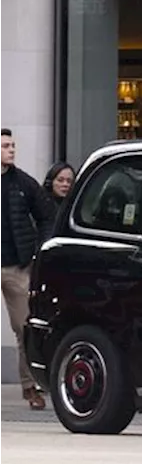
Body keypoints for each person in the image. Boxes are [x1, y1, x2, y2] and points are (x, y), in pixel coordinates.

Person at [0, 128, 57, 410]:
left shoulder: (23, 183)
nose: (11, 150)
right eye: (5, 146)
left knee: (24, 329)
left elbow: (47, 216)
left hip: (17, 266)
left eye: (13, 145)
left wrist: (38, 250)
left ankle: (29, 386)